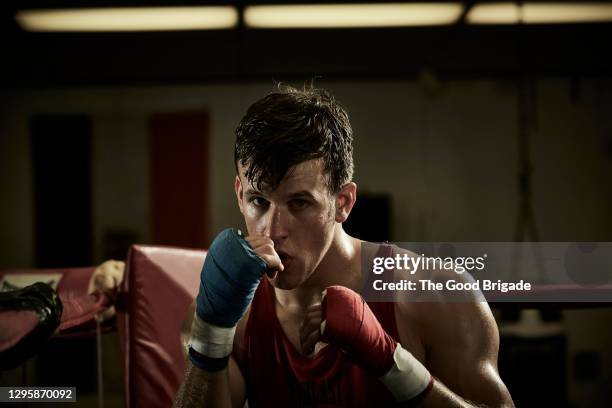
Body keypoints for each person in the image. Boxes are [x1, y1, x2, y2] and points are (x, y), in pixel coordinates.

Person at [174, 86, 514, 407]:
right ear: (239, 195)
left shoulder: (437, 297)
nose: (274, 230)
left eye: (299, 203)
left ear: (344, 202)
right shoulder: (227, 317)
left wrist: (390, 361)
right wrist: (211, 333)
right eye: (258, 201)